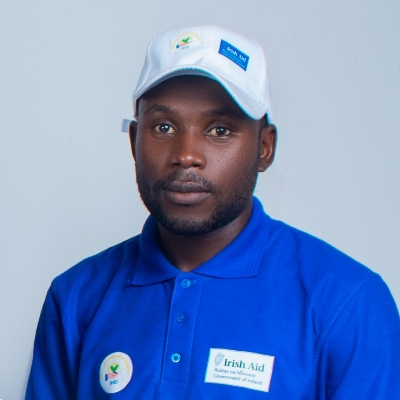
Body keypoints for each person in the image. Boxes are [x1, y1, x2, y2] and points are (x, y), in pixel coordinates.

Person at [25, 26, 400, 399]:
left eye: (220, 130)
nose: (186, 154)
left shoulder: (347, 303)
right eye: (164, 127)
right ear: (134, 141)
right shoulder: (76, 297)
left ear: (264, 148)